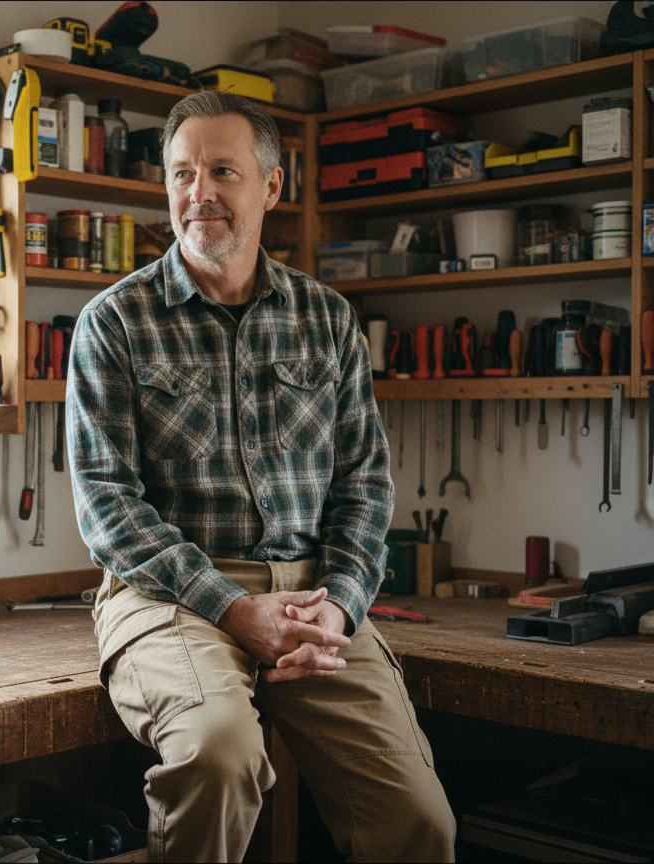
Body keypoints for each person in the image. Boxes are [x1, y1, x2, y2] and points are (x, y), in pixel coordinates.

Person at [65, 90, 456, 863]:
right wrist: (237, 609)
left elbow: (365, 488)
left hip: (314, 597)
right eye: (181, 174)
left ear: (271, 187)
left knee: (419, 821)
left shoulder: (328, 320)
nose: (197, 193)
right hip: (171, 598)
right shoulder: (114, 322)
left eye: (221, 171)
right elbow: (107, 503)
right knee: (218, 756)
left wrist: (342, 606)